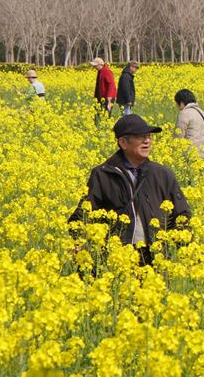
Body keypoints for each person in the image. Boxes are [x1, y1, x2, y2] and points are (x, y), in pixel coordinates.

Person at [69, 114, 191, 266]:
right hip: (117, 259)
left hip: (155, 258)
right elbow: (84, 213)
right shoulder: (103, 174)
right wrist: (78, 241)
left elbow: (182, 215)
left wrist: (182, 252)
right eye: (140, 137)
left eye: (148, 136)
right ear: (123, 142)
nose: (147, 141)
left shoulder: (162, 174)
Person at [174, 89, 204, 161]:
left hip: (192, 156)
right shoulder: (203, 113)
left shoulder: (184, 113)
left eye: (177, 104)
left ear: (181, 103)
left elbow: (178, 136)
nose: (177, 107)